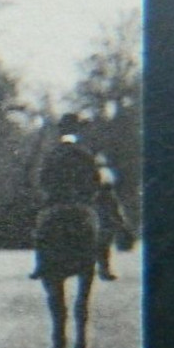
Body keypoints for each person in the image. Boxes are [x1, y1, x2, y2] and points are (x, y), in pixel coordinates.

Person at [29, 114, 100, 280]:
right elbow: (95, 181)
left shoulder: (52, 154)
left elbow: (43, 180)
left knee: (41, 227)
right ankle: (102, 264)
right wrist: (87, 197)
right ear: (78, 131)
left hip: (56, 204)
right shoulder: (85, 154)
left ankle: (40, 265)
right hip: (81, 204)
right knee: (98, 229)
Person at [92, 151, 130, 281]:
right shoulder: (107, 175)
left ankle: (101, 269)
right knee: (104, 244)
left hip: (99, 209)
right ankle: (103, 269)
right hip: (104, 211)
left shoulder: (93, 176)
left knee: (102, 243)